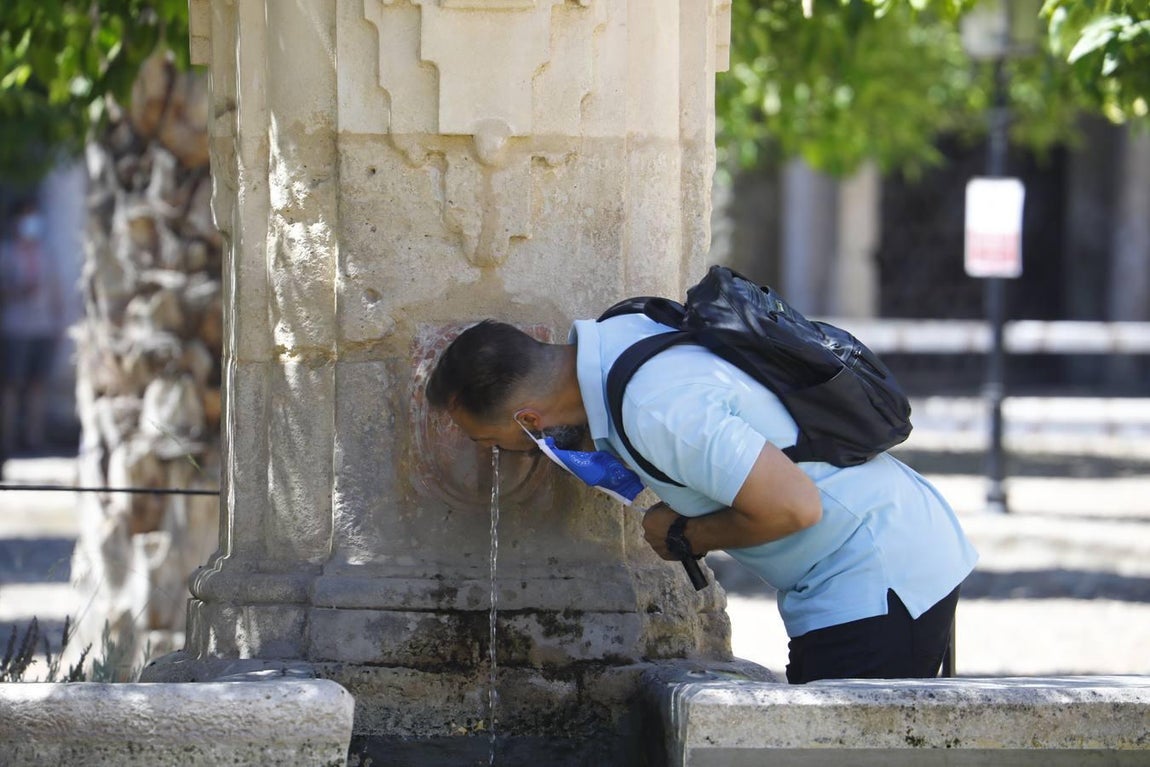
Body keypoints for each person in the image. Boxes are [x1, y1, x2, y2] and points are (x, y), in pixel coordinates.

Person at [425, 310, 978, 684]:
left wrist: (686, 532)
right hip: (889, 552)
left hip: (877, 576)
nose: (496, 454)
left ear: (527, 419)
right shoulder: (624, 337)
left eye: (489, 441)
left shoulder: (655, 409)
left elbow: (795, 506)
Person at [1, 200, 63, 456]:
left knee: (38, 385)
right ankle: (7, 440)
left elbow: (56, 292)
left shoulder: (46, 254)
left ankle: (33, 439)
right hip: (15, 328)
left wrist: (59, 325)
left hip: (44, 328)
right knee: (11, 384)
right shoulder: (6, 253)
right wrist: (18, 291)